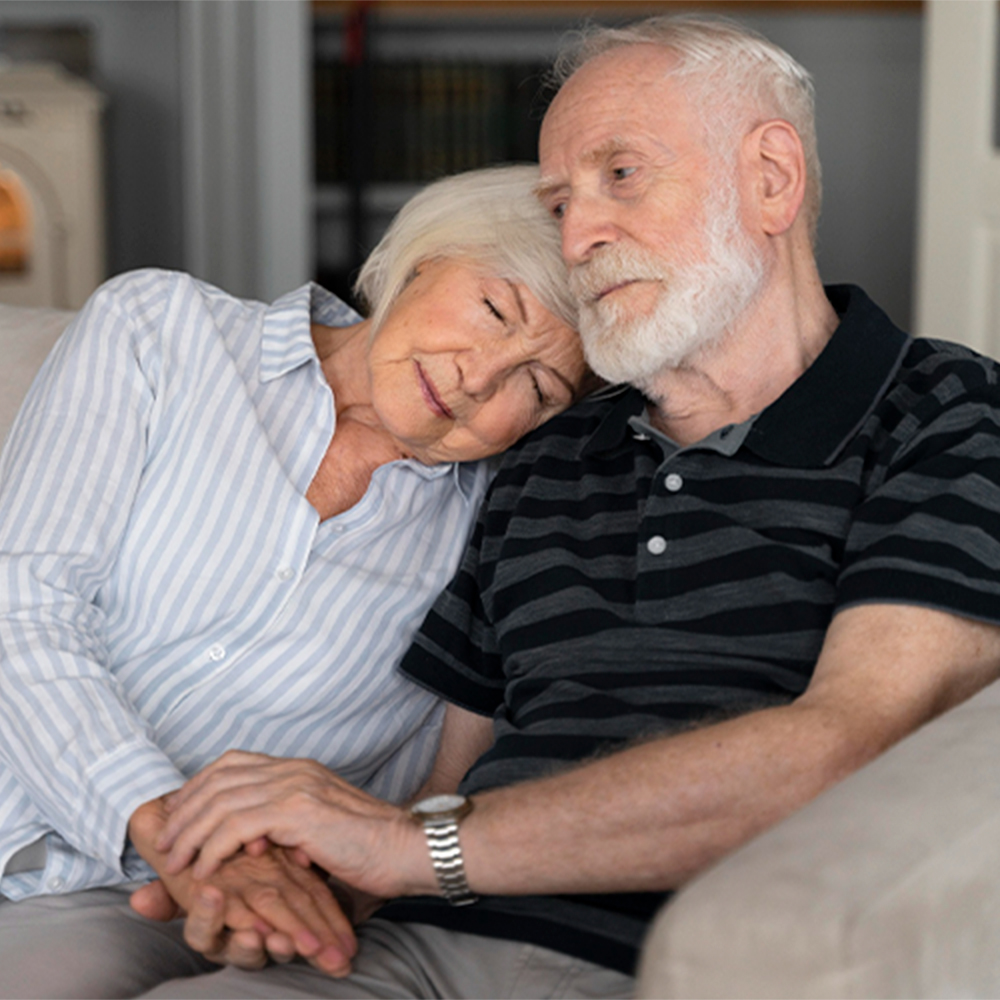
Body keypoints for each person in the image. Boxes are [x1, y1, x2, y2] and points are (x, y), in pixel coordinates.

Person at [126, 14, 1000, 1000]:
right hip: (416, 946)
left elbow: (850, 742)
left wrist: (415, 849)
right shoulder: (548, 455)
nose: (577, 233)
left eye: (619, 174)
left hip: (687, 959)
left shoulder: (947, 411)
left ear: (770, 179)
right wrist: (285, 885)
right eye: (558, 198)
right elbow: (451, 780)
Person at [0, 165, 593, 998]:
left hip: (160, 903)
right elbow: (23, 603)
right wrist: (171, 827)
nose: (478, 376)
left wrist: (273, 875)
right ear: (427, 255)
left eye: (538, 385)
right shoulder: (163, 330)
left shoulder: (506, 517)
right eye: (495, 310)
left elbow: (455, 774)